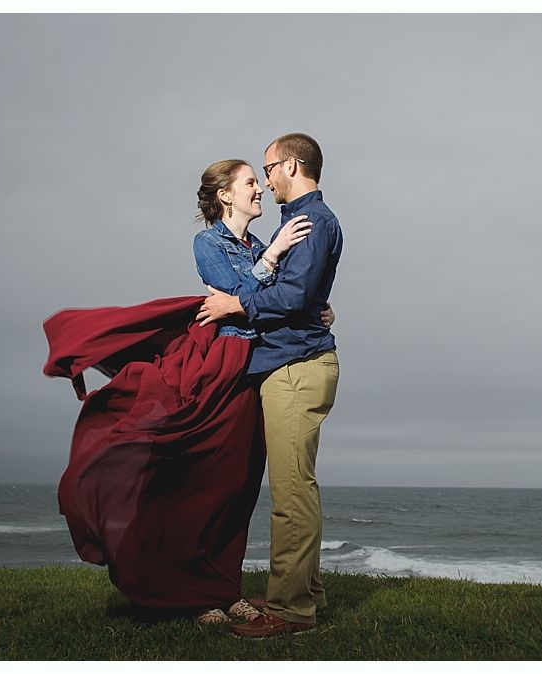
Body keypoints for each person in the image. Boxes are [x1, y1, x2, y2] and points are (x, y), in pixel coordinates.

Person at [41, 157, 328, 626]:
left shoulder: (256, 242)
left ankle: (222, 587)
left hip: (253, 370)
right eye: (250, 182)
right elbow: (238, 294)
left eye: (260, 180)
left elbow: (281, 302)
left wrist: (318, 309)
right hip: (218, 366)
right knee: (201, 481)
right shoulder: (208, 243)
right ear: (225, 195)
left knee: (235, 486)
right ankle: (190, 595)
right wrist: (273, 256)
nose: (259, 188)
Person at [197, 133, 343, 638]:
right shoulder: (293, 225)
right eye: (255, 175)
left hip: (295, 367)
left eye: (269, 168)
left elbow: (293, 292)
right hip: (291, 361)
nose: (265, 180)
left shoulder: (309, 221)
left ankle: (289, 609)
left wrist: (239, 304)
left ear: (293, 164)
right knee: (298, 487)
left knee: (290, 492)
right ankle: (306, 594)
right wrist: (315, 306)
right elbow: (302, 293)